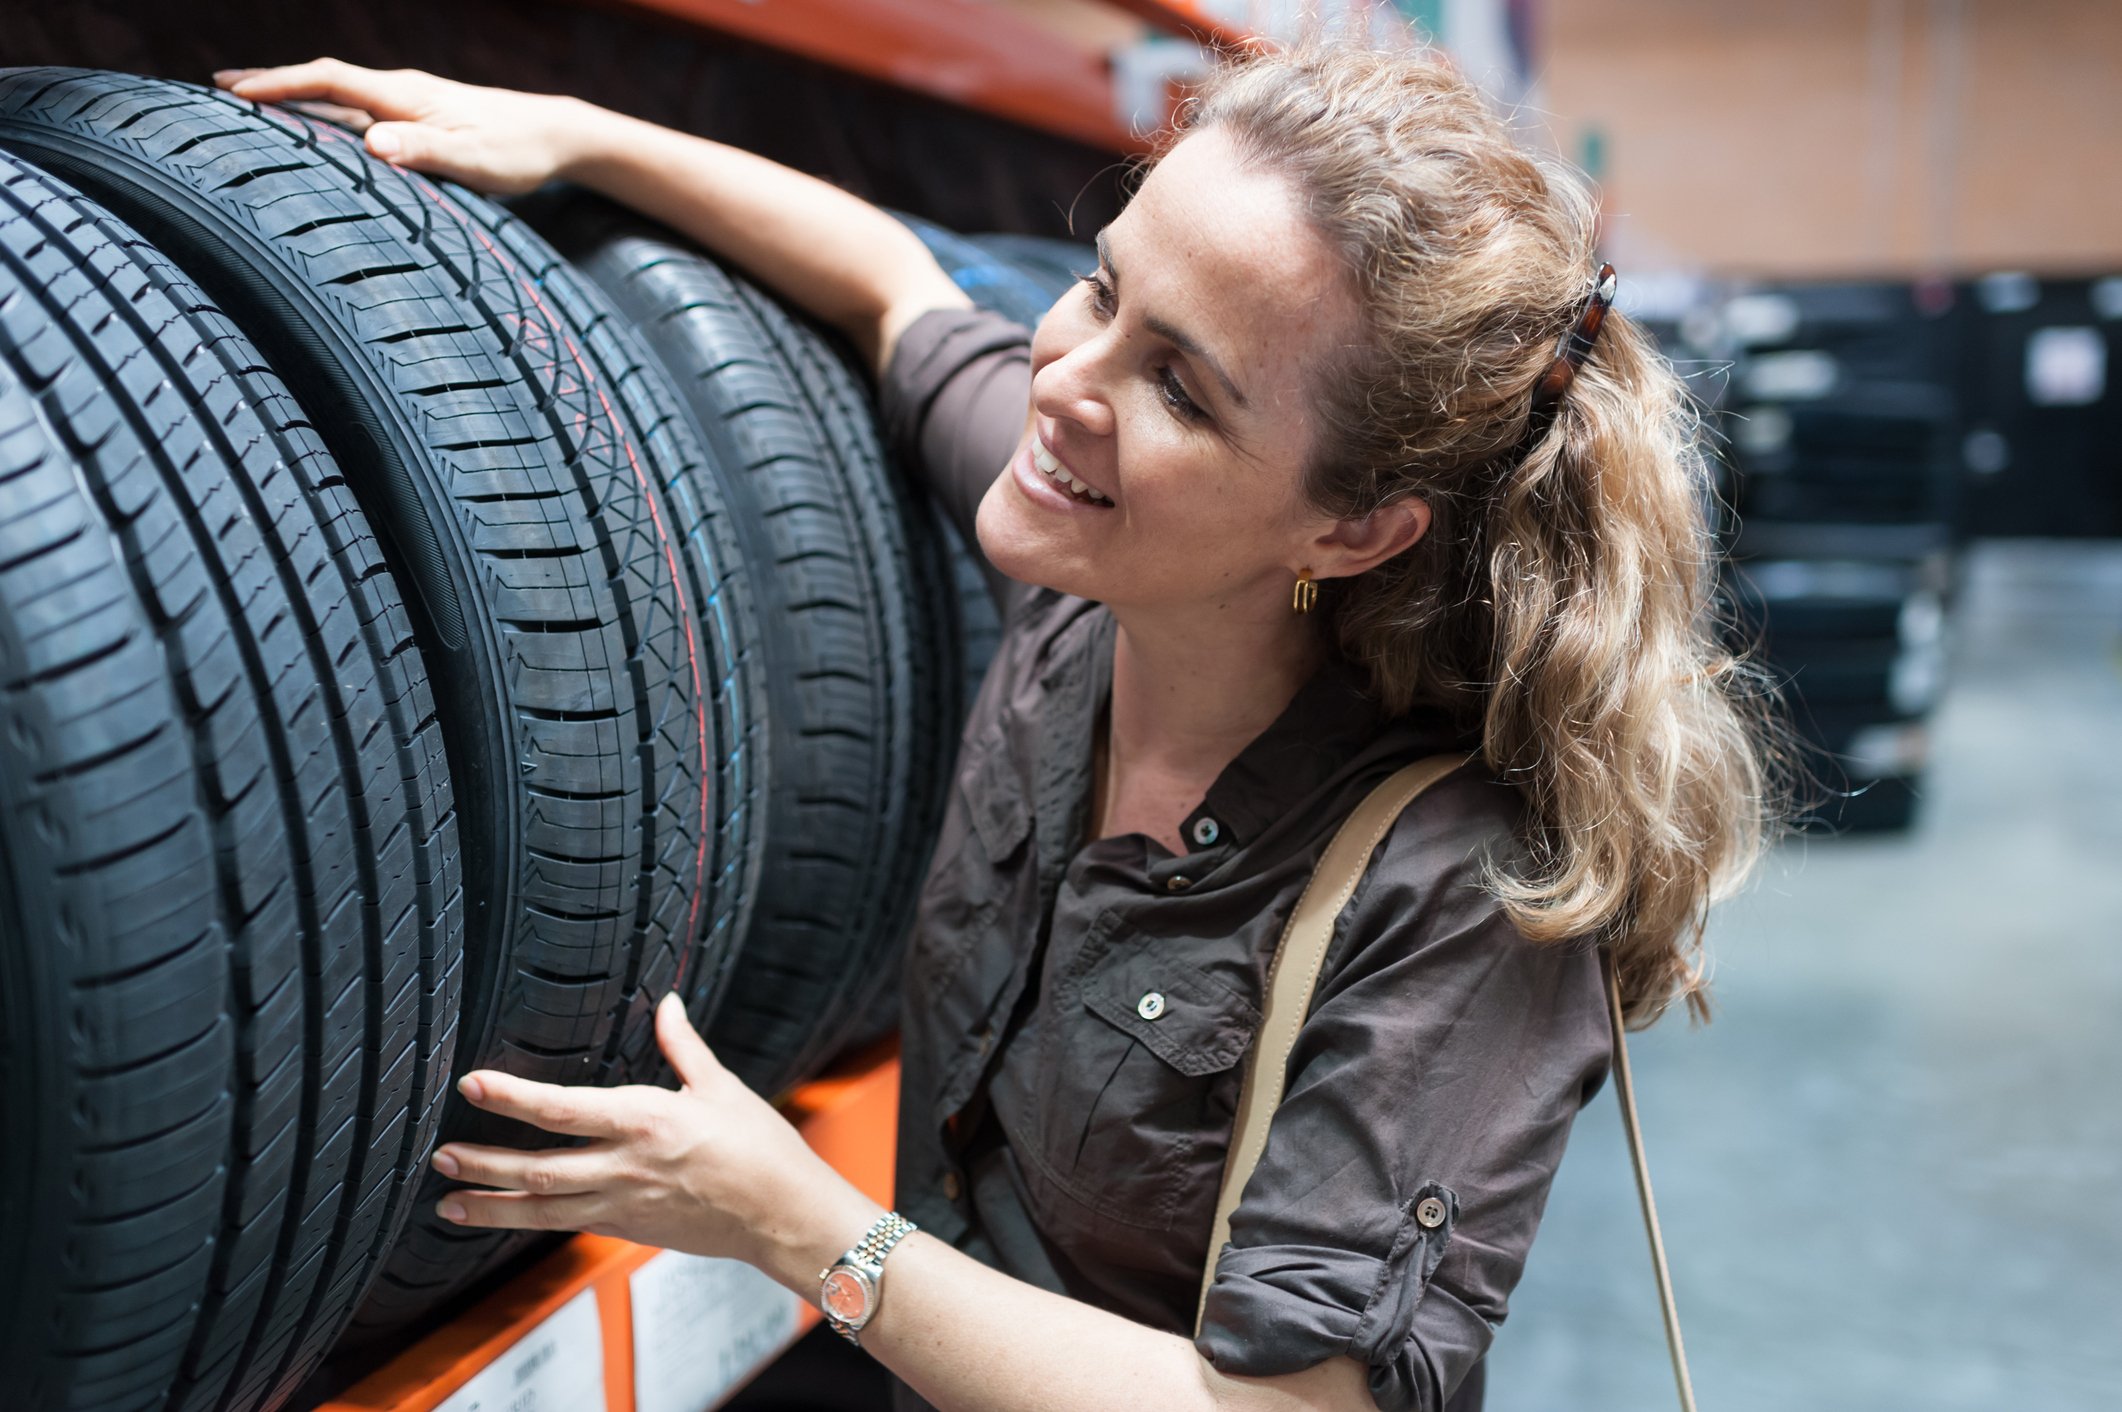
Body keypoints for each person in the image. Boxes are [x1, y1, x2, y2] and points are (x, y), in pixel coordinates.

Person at [215, 33, 1786, 1412]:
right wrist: (577, 134)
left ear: (1353, 528)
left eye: (1180, 388)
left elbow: (1292, 1410)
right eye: (1101, 287)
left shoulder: (1458, 886)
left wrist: (799, 1227)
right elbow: (893, 287)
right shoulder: (1090, 578)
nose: (1062, 380)